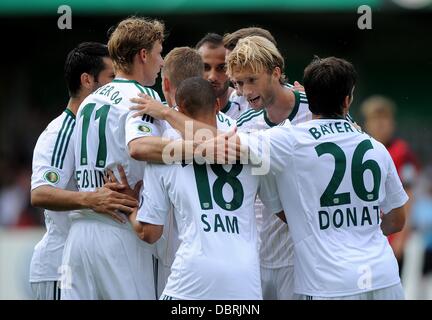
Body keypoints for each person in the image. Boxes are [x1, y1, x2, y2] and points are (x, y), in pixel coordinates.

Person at [231, 56, 408, 299]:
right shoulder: (376, 146)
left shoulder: (286, 140)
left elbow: (227, 142)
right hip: (384, 278)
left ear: (308, 98)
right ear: (347, 100)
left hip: (329, 285)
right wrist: (359, 228)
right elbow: (397, 220)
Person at [129, 77, 269, 300]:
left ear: (180, 109)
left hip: (190, 282)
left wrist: (129, 207)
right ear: (216, 105)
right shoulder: (251, 146)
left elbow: (149, 233)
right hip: (245, 283)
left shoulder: (162, 155)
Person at [61, 17, 165, 300]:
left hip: (80, 236)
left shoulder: (88, 102)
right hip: (121, 230)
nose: (162, 61)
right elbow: (152, 150)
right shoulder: (144, 97)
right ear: (143, 55)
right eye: (159, 53)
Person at [29, 42, 138, 300]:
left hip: (87, 260)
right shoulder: (61, 131)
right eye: (111, 77)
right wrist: (92, 199)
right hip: (58, 267)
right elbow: (40, 193)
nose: (116, 84)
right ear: (87, 80)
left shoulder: (94, 127)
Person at [226, 35, 310, 299]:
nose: (245, 91)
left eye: (252, 80)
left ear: (275, 72)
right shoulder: (246, 121)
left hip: (304, 254)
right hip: (258, 253)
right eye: (239, 83)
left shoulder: (316, 108)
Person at [361, 95, 419, 273]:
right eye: (375, 118)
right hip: (363, 235)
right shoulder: (359, 148)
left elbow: (409, 195)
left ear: (392, 122)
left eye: (384, 118)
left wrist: (401, 237)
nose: (380, 124)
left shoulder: (402, 152)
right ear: (366, 123)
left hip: (391, 235)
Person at [196, 33, 248, 119]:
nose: (212, 77)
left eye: (222, 68)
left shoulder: (249, 105)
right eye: (205, 67)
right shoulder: (176, 109)